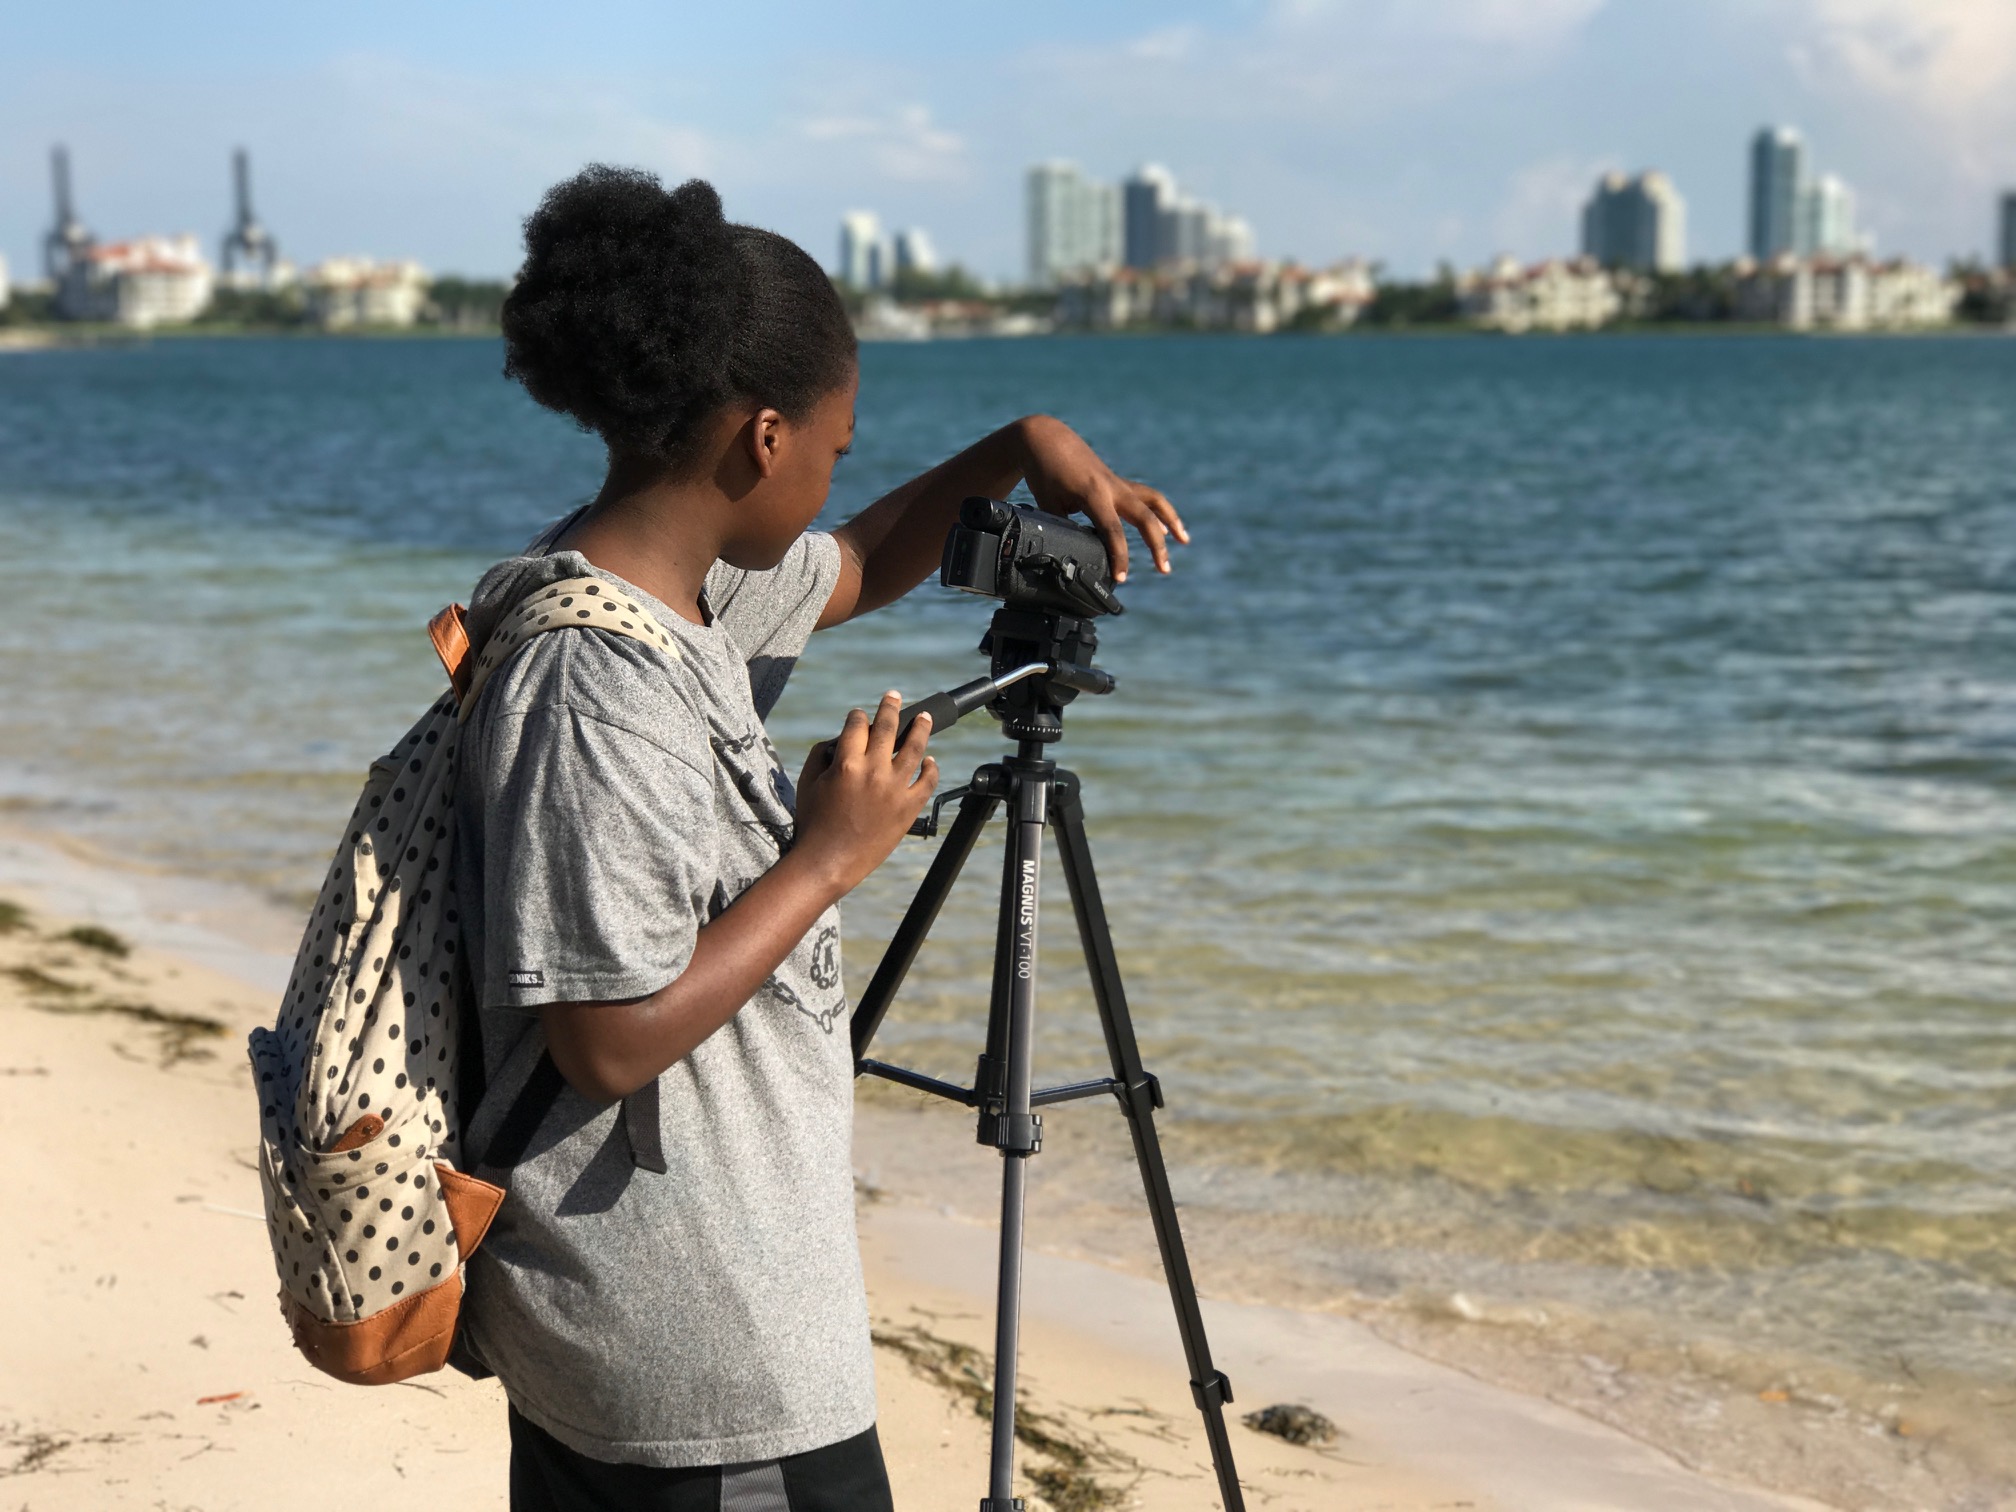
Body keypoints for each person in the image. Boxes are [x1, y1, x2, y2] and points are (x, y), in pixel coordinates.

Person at [451, 165, 1186, 1512]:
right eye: (838, 445)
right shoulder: (596, 681)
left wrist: (1028, 443)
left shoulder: (672, 591)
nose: (843, 473)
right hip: (698, 1363)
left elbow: (857, 560)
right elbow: (603, 1038)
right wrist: (828, 859)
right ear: (765, 439)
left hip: (650, 1330)